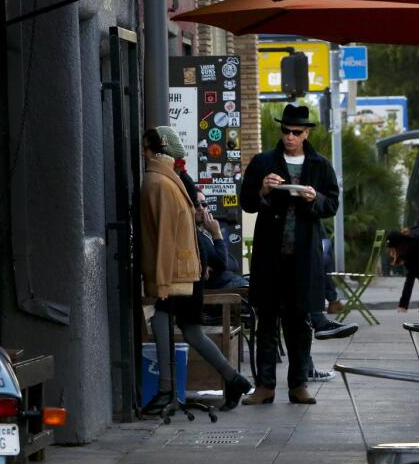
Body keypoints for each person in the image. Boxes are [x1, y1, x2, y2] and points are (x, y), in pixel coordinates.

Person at [139, 127, 251, 411]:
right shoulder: (174, 181)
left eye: (145, 147)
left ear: (153, 150)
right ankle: (233, 378)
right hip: (187, 269)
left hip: (176, 271)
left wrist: (160, 280)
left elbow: (165, 236)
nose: (141, 152)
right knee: (190, 331)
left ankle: (166, 390)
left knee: (163, 323)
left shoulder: (158, 182)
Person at [239, 103, 339, 405]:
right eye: (286, 131)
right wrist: (263, 191)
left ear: (306, 132)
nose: (290, 137)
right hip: (271, 256)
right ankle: (265, 386)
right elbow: (246, 202)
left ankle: (298, 384)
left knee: (299, 323)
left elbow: (332, 203)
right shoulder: (263, 162)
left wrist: (315, 198)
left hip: (304, 258)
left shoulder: (319, 165)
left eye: (296, 132)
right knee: (266, 321)